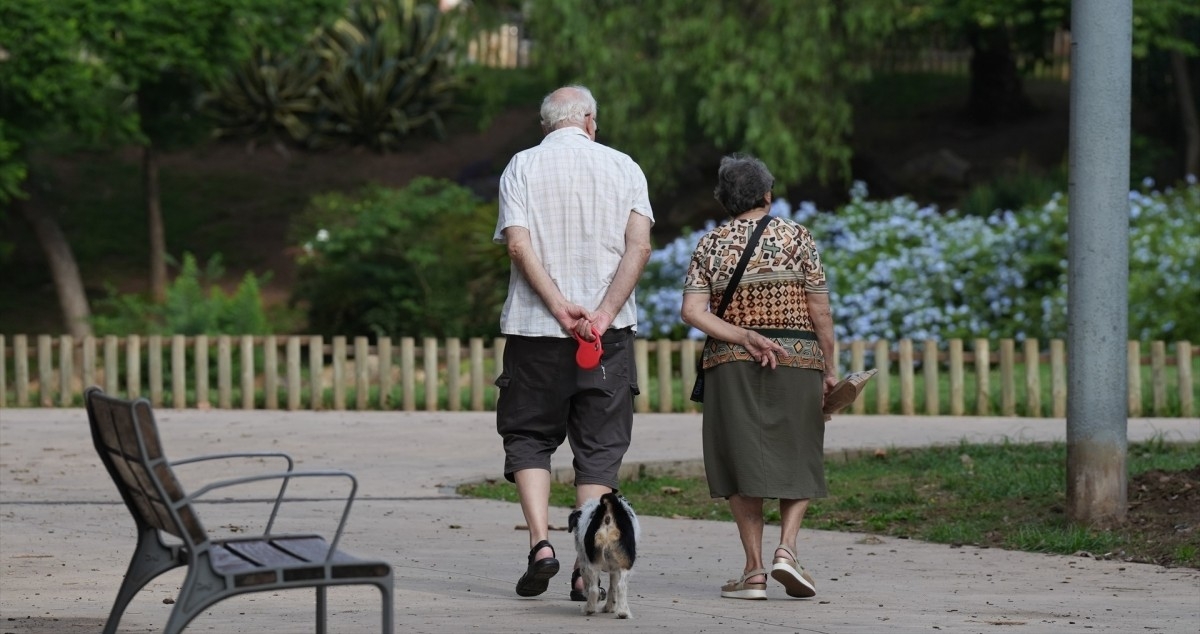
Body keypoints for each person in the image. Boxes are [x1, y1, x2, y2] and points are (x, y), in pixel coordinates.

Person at [492, 85, 654, 601]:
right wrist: (602, 314)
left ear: (546, 126)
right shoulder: (625, 167)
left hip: (535, 332)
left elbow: (518, 245)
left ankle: (541, 545)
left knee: (528, 437)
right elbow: (640, 247)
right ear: (589, 122)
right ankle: (588, 566)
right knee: (599, 449)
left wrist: (561, 308)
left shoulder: (521, 165)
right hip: (607, 338)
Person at [680, 154, 837, 600]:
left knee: (740, 460)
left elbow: (692, 312)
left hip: (730, 364)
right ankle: (787, 550)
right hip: (796, 358)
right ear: (767, 195)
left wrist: (742, 335)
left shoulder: (710, 244)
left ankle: (753, 571)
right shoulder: (797, 237)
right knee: (800, 452)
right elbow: (820, 311)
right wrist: (829, 367)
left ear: (725, 200)